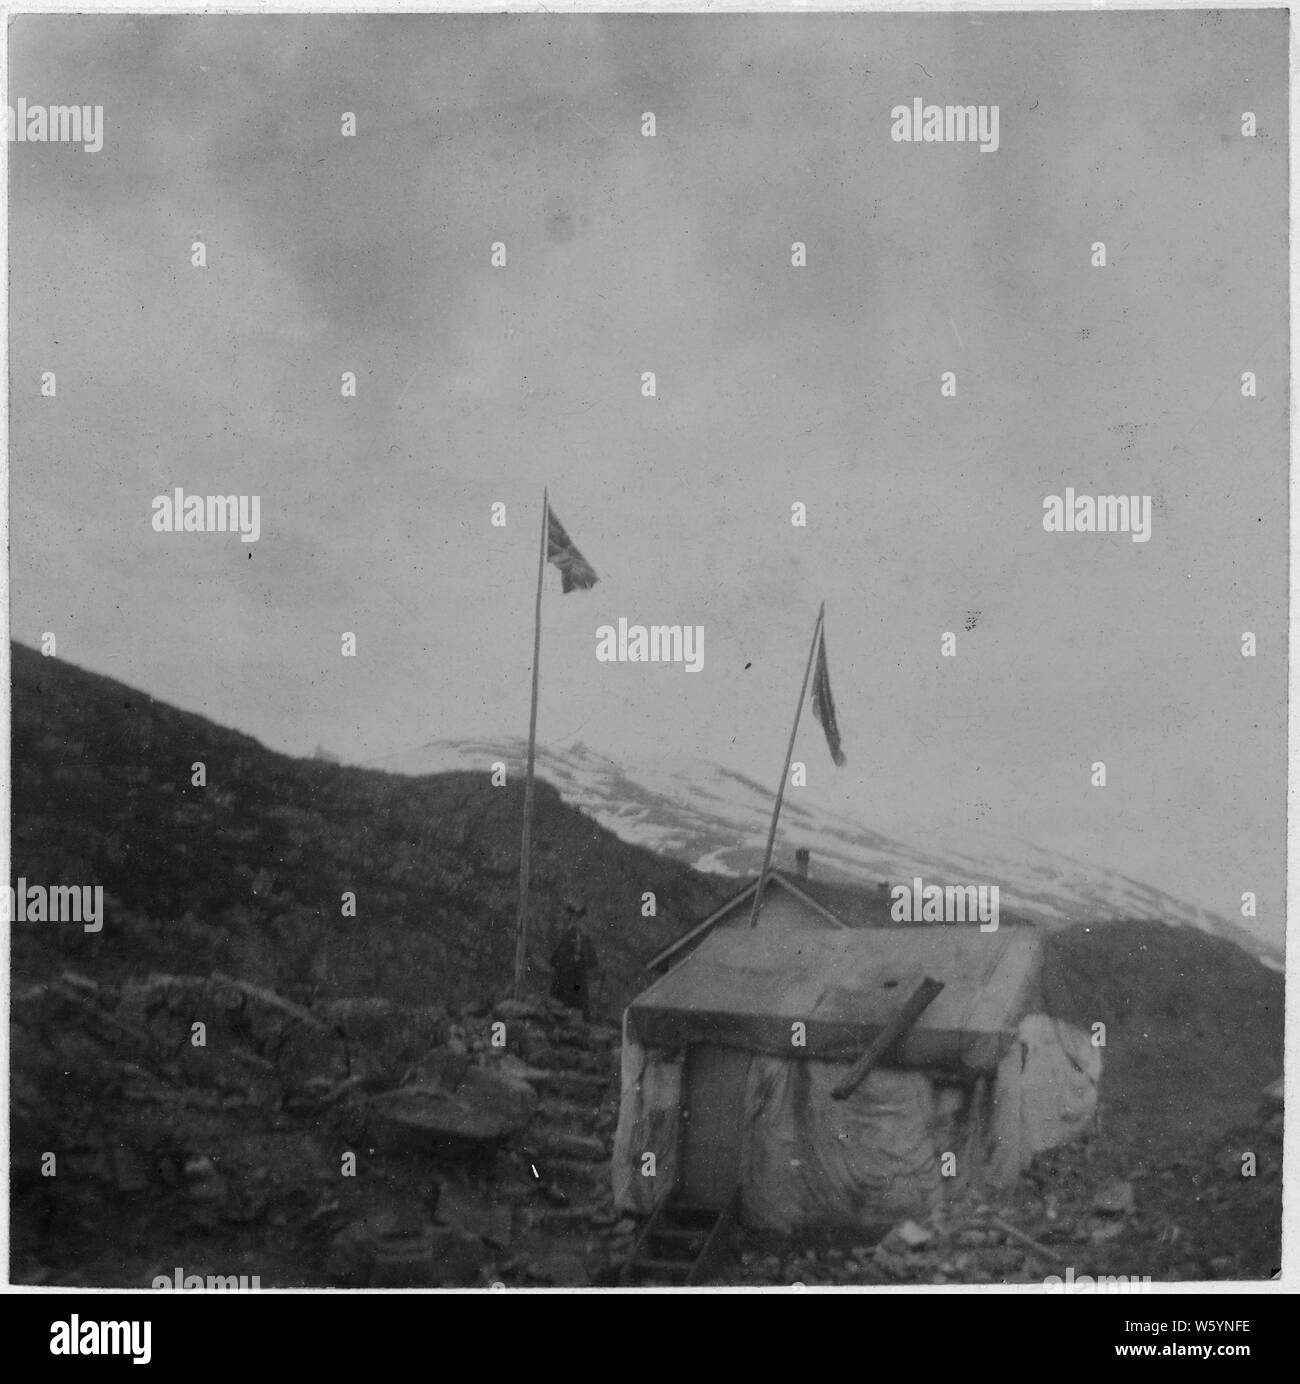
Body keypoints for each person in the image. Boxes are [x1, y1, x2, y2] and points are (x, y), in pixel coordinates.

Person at [550, 922, 598, 1020]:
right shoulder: (565, 941)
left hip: (577, 984)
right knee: (562, 1010)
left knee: (579, 1008)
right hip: (564, 983)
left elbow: (593, 962)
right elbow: (554, 960)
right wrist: (569, 960)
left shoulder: (586, 941)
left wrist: (581, 959)